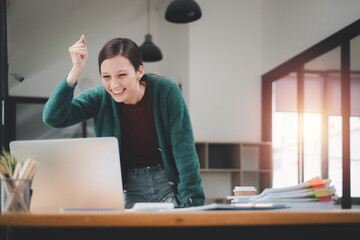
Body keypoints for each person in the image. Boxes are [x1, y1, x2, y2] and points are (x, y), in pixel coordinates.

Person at [43, 35, 205, 208]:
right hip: (127, 187)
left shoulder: (165, 90)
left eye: (122, 75)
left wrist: (193, 202)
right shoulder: (100, 97)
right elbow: (54, 117)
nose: (114, 85)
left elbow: (184, 148)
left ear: (139, 71)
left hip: (168, 184)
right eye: (106, 77)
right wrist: (75, 71)